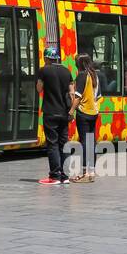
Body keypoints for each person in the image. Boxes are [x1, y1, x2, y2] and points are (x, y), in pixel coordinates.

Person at [37, 46, 74, 186]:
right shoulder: (66, 71)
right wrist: (71, 111)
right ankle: (65, 176)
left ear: (46, 58)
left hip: (50, 111)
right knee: (63, 144)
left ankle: (54, 176)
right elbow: (71, 92)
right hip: (65, 113)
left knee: (52, 144)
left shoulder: (44, 70)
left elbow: (39, 88)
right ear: (57, 57)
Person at [70, 54, 104, 184]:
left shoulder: (82, 75)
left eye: (76, 62)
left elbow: (78, 97)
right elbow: (99, 96)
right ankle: (91, 172)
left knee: (85, 142)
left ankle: (84, 173)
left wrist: (71, 110)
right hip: (94, 113)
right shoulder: (94, 75)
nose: (75, 64)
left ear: (81, 63)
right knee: (91, 142)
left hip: (83, 112)